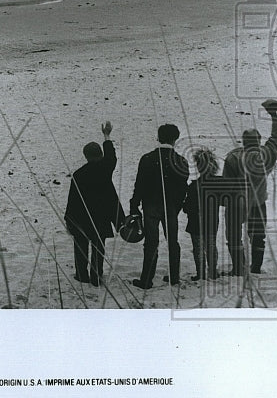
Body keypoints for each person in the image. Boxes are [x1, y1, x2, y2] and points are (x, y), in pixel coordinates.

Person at [221, 99, 277, 275]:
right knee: (258, 237)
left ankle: (238, 268)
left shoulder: (233, 157)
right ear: (259, 140)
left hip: (236, 203)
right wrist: (274, 116)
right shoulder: (266, 154)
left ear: (243, 141)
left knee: (234, 237)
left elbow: (227, 184)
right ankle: (255, 267)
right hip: (258, 202)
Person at [128, 123, 189, 289]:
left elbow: (139, 184)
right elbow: (183, 188)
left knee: (151, 243)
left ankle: (146, 279)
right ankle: (174, 277)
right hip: (170, 207)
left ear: (158, 137)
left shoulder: (147, 159)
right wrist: (176, 207)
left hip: (151, 205)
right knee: (173, 242)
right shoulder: (181, 161)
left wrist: (134, 204)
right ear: (175, 139)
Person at [64, 121, 124, 286]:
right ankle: (96, 276)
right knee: (99, 248)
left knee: (81, 247)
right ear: (100, 155)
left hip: (82, 217)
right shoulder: (105, 168)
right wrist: (107, 136)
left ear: (86, 156)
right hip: (101, 216)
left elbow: (73, 199)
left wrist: (69, 220)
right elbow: (111, 156)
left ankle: (81, 275)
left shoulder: (78, 174)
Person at [184, 147, 222, 281]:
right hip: (212, 220)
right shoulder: (218, 184)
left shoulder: (193, 186)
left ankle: (200, 273)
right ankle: (213, 271)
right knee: (211, 245)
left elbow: (187, 206)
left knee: (198, 248)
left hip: (195, 221)